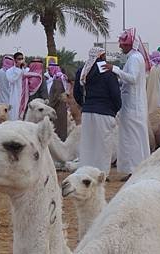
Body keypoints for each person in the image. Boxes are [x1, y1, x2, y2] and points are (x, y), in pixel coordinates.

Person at [105, 28, 151, 180]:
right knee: (131, 137)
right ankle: (134, 169)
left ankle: (135, 170)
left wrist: (115, 69)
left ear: (129, 45)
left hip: (133, 106)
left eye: (122, 44)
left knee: (133, 138)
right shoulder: (133, 58)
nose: (120, 47)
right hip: (131, 105)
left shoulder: (135, 58)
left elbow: (132, 78)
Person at [73, 47, 121, 175]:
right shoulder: (107, 70)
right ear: (100, 57)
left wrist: (84, 105)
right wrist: (115, 109)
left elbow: (76, 93)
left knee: (88, 144)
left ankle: (85, 173)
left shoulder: (83, 71)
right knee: (103, 146)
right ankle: (101, 174)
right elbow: (115, 93)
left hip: (88, 111)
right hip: (105, 112)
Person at [47, 64, 69, 141]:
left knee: (58, 128)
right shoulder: (60, 78)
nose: (48, 72)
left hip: (58, 108)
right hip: (61, 107)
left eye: (49, 70)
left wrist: (50, 106)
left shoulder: (57, 80)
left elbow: (57, 96)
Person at [6, 52, 29, 120]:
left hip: (24, 97)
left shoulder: (27, 70)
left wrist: (23, 69)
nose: (21, 60)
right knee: (14, 116)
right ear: (15, 60)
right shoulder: (9, 71)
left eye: (22, 59)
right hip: (15, 97)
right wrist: (19, 69)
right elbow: (12, 80)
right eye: (19, 59)